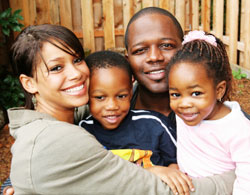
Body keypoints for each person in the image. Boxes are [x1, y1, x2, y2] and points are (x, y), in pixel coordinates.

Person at [4, 23, 215, 195]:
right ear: (29, 83)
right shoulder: (64, 135)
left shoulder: (83, 111)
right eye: (57, 67)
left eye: (77, 60)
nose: (76, 73)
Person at [166, 30, 250, 194]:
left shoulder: (238, 129)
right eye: (176, 94)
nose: (184, 103)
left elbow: (247, 179)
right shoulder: (185, 114)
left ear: (219, 91)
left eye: (196, 93)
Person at [81, 50, 177, 169]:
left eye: (121, 96)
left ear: (131, 92)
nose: (112, 106)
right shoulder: (83, 132)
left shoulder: (154, 124)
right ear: (85, 95)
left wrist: (170, 174)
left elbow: (177, 161)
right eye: (100, 97)